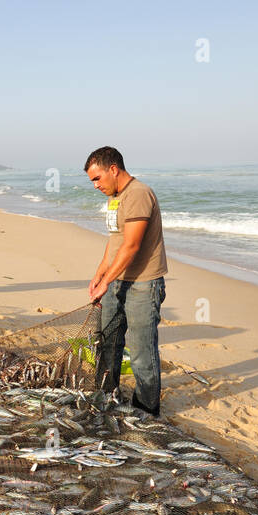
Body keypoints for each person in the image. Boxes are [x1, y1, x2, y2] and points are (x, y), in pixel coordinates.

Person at [84, 146, 168, 415]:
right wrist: (99, 274)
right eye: (91, 181)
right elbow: (115, 240)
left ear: (113, 169)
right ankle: (106, 395)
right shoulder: (115, 198)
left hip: (143, 285)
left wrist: (106, 281)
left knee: (143, 352)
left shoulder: (139, 194)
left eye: (97, 178)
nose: (95, 185)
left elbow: (132, 246)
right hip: (115, 281)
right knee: (108, 343)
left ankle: (146, 408)